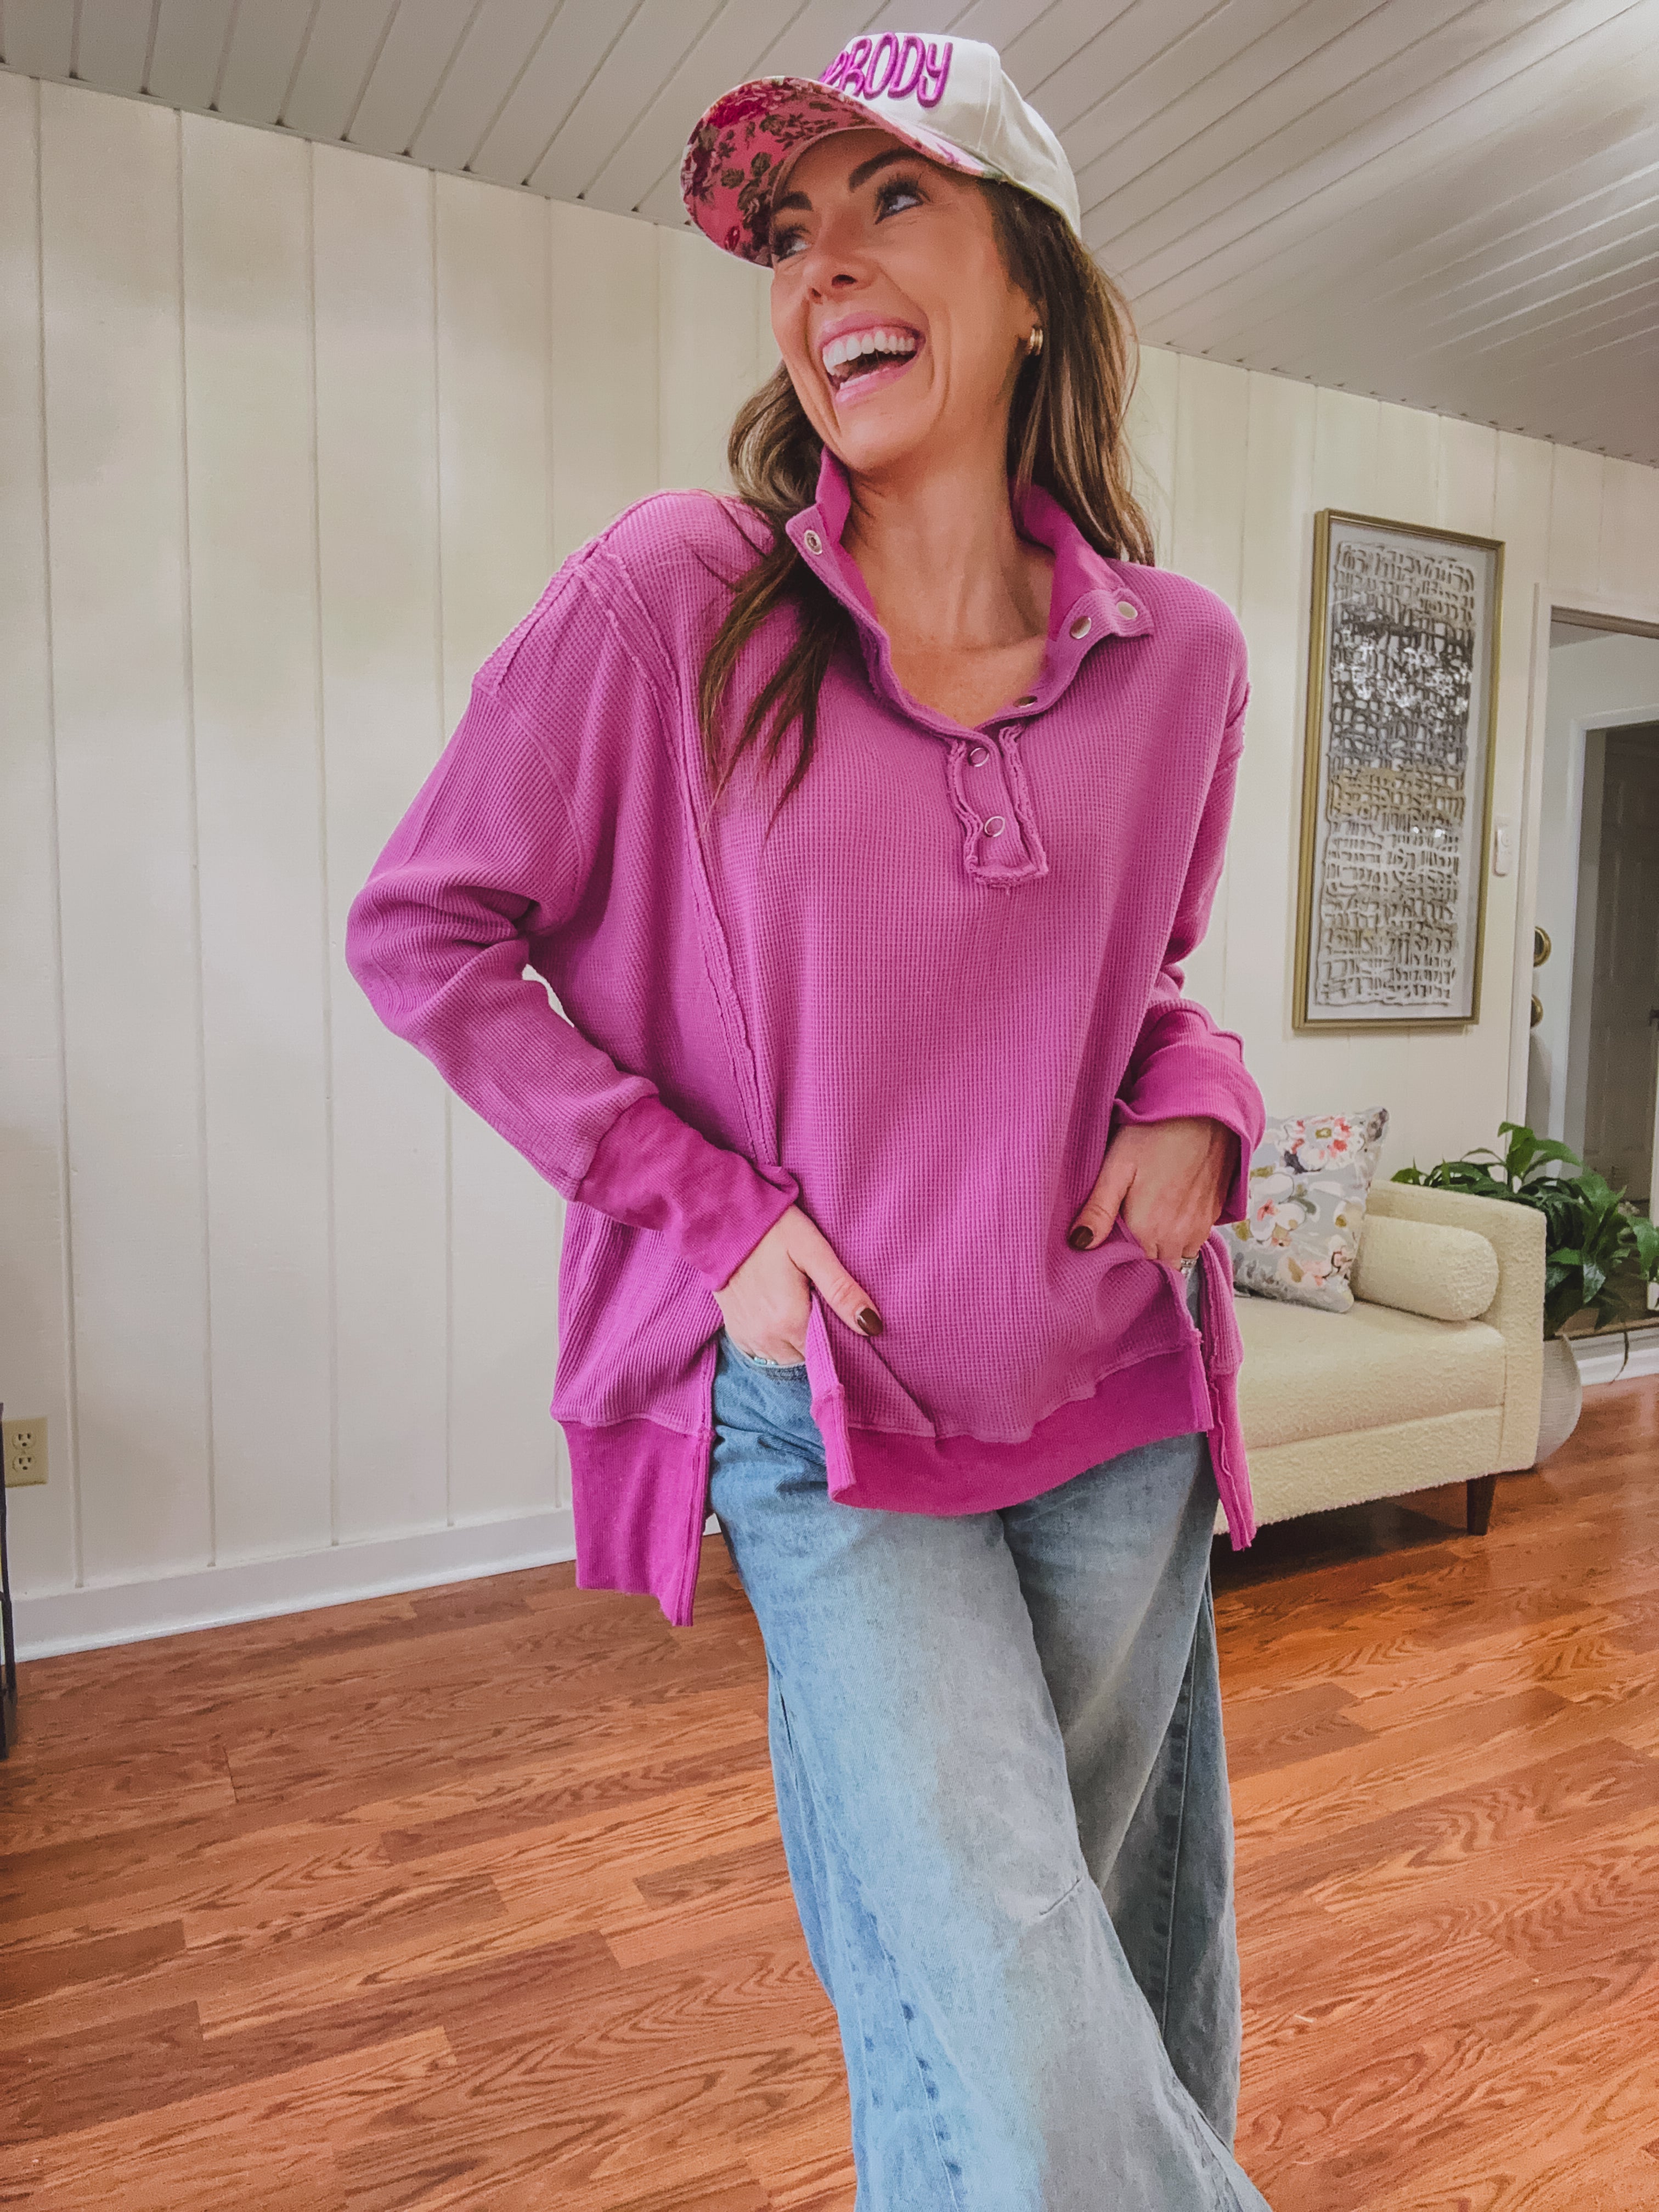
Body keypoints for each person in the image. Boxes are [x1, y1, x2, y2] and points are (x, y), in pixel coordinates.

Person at [347, 30, 1273, 2208]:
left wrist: (1207, 1105)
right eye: (788, 230)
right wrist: (707, 1217)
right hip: (830, 1409)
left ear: (1030, 274)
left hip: (1108, 1390)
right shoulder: (682, 598)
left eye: (892, 201)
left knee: (1057, 1995)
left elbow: (1141, 994)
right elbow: (430, 933)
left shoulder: (1188, 664)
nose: (820, 266)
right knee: (1025, 2008)